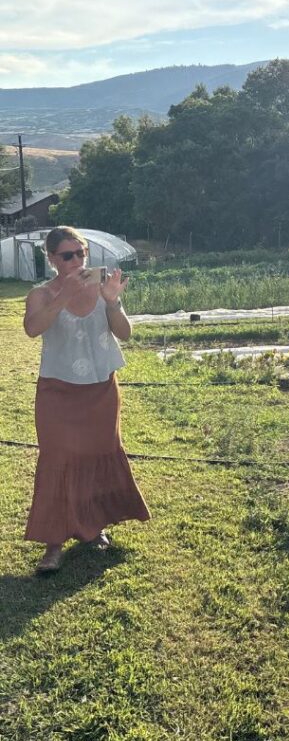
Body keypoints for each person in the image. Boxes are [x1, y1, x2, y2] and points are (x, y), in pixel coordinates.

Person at [22, 226, 149, 573]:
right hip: (58, 393)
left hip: (101, 389)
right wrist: (65, 294)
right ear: (51, 258)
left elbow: (124, 333)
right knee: (58, 460)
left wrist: (112, 301)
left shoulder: (103, 286)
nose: (77, 260)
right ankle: (54, 544)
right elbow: (33, 328)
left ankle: (94, 529)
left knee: (99, 454)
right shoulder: (41, 293)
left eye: (81, 254)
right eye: (68, 255)